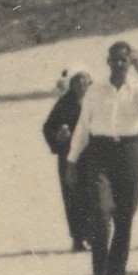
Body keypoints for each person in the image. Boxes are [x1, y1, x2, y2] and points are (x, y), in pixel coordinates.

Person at [71, 40, 138, 275]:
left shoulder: (137, 87)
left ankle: (116, 273)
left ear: (129, 61)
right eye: (115, 60)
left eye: (125, 60)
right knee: (101, 213)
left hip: (129, 151)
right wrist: (72, 160)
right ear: (108, 62)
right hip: (100, 152)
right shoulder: (95, 90)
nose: (120, 65)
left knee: (125, 216)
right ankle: (98, 272)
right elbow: (82, 127)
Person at [42, 71, 95, 253]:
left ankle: (94, 235)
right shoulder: (64, 104)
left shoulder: (95, 100)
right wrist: (58, 137)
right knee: (72, 196)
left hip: (92, 154)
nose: (81, 84)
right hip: (68, 156)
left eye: (84, 81)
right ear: (71, 84)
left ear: (90, 82)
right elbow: (48, 127)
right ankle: (78, 238)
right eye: (77, 81)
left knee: (94, 193)